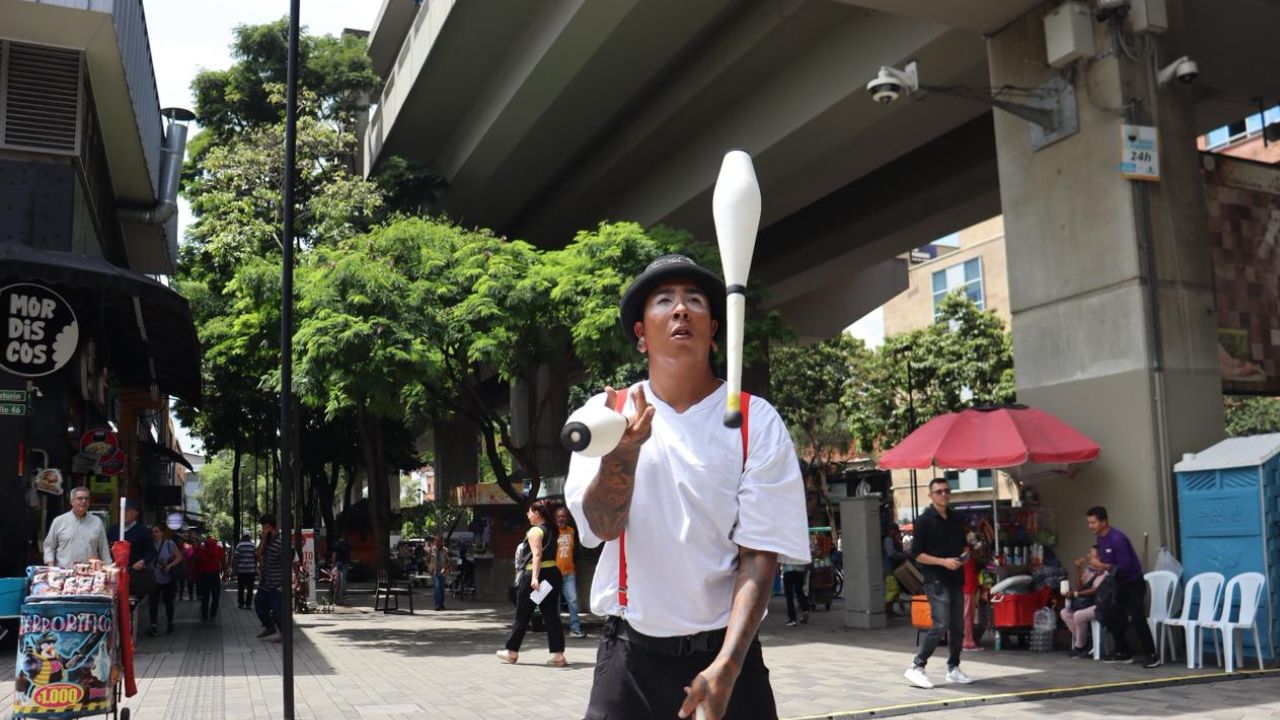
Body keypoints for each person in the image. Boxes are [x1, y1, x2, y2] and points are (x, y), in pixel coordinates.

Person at [564, 254, 810, 720]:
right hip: (628, 659)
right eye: (664, 300)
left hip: (727, 656)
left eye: (694, 300)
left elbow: (758, 555)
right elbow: (599, 526)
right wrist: (624, 454)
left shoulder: (755, 421)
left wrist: (728, 666)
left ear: (714, 329)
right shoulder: (605, 413)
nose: (681, 310)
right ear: (641, 334)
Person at [904, 478, 974, 689]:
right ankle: (917, 666)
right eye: (938, 492)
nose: (943, 495)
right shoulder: (924, 520)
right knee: (940, 624)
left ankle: (953, 668)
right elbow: (917, 554)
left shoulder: (956, 519)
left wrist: (965, 555)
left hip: (955, 578)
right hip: (936, 580)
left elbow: (964, 546)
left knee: (958, 627)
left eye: (946, 491)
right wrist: (943, 562)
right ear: (931, 495)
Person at [496, 499, 567, 667]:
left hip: (536, 575)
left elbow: (537, 555)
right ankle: (558, 655)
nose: (528, 515)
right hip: (553, 575)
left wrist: (534, 578)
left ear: (537, 514)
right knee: (551, 616)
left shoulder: (535, 531)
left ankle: (511, 652)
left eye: (530, 512)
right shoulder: (553, 530)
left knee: (522, 614)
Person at [1086, 506, 1160, 668]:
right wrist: (1100, 567)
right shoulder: (1100, 539)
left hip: (1132, 582)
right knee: (1112, 614)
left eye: (1093, 522)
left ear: (1104, 522)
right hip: (1117, 583)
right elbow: (1109, 565)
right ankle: (1123, 651)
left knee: (1137, 617)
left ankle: (1152, 655)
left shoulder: (1118, 539)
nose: (1090, 526)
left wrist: (1102, 565)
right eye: (1089, 523)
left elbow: (1124, 567)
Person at [42, 486, 112, 568]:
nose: (84, 501)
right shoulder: (59, 521)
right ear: (72, 501)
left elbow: (104, 549)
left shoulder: (97, 522)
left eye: (86, 498)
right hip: (64, 573)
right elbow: (49, 546)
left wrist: (109, 568)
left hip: (89, 574)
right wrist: (51, 567)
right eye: (80, 498)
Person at [1062, 545, 1105, 658]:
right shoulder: (1090, 569)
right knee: (1064, 613)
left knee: (1078, 615)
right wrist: (1077, 568)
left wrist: (1077, 594)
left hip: (1100, 604)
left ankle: (1080, 647)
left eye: (1091, 552)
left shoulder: (1106, 570)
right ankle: (1086, 642)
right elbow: (1079, 586)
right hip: (1087, 603)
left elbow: (1096, 590)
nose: (1088, 555)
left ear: (1099, 556)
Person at [106, 500, 154, 598]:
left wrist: (142, 561)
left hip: (134, 574)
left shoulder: (142, 531)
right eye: (122, 510)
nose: (124, 513)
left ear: (135, 513)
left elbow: (151, 551)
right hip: (114, 574)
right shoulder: (113, 530)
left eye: (127, 510)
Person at [554, 506, 587, 638]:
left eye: (564, 516)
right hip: (554, 573)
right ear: (555, 518)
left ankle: (575, 628)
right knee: (555, 602)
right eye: (559, 516)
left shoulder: (572, 531)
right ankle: (556, 629)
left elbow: (575, 551)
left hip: (569, 572)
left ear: (567, 518)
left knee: (572, 601)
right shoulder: (551, 531)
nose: (561, 519)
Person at [147, 524, 182, 636]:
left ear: (162, 533)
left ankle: (170, 623)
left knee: (168, 602)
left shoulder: (168, 544)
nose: (154, 534)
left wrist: (170, 566)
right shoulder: (149, 545)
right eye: (152, 532)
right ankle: (153, 625)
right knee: (153, 603)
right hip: (153, 578)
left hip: (167, 577)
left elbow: (179, 557)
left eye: (156, 531)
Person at [254, 514, 285, 640]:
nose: (262, 529)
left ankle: (284, 634)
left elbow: (286, 562)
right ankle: (269, 627)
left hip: (277, 582)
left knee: (278, 610)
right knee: (259, 603)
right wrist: (264, 538)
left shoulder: (281, 542)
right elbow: (258, 554)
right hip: (266, 581)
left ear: (268, 526)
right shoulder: (266, 540)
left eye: (263, 526)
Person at [882, 523, 909, 618]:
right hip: (890, 569)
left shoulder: (892, 539)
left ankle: (890, 610)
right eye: (895, 530)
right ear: (891, 530)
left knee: (895, 590)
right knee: (892, 590)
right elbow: (891, 553)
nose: (896, 532)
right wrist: (904, 555)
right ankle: (886, 609)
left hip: (893, 568)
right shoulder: (888, 540)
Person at [196, 535, 225, 621]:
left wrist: (197, 575)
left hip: (204, 575)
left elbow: (197, 562)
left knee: (205, 597)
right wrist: (224, 572)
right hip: (214, 575)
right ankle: (212, 613)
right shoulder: (219, 549)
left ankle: (205, 615)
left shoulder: (201, 549)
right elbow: (223, 561)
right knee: (215, 596)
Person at [961, 533, 982, 651]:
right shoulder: (965, 551)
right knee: (967, 615)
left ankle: (967, 640)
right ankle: (967, 642)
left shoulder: (968, 551)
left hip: (969, 586)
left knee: (969, 615)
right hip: (967, 587)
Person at [780, 555, 811, 627]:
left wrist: (778, 567)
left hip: (788, 569)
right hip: (800, 569)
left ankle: (792, 619)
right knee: (799, 591)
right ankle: (805, 610)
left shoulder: (786, 543)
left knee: (789, 595)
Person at [234, 533, 257, 609]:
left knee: (241, 588)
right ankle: (248, 604)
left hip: (241, 570)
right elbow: (256, 557)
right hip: (251, 570)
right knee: (250, 588)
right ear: (249, 537)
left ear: (243, 537)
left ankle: (241, 604)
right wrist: (255, 566)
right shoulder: (253, 545)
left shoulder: (239, 545)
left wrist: (236, 568)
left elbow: (236, 558)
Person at [428, 534, 451, 611]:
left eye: (439, 541)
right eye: (436, 540)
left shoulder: (445, 550)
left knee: (441, 588)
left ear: (442, 542)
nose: (437, 542)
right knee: (437, 587)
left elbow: (449, 561)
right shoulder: (431, 550)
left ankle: (441, 603)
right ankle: (437, 604)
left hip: (443, 571)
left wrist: (445, 568)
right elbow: (427, 559)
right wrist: (429, 567)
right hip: (434, 571)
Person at [328, 534, 352, 604]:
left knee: (335, 578)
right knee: (344, 578)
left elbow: (334, 554)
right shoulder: (348, 544)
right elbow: (350, 554)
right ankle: (343, 592)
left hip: (338, 563)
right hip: (346, 563)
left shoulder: (336, 544)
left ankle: (336, 591)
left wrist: (332, 563)